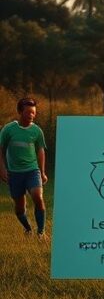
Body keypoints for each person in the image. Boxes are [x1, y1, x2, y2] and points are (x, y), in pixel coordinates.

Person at [0, 97, 47, 239]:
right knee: (20, 208)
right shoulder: (8, 129)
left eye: (34, 112)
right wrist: (2, 169)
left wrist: (43, 172)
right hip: (14, 174)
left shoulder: (37, 131)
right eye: (28, 112)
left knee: (38, 197)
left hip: (32, 171)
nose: (32, 115)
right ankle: (28, 229)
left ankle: (41, 232)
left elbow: (40, 150)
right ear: (20, 112)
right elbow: (0, 149)